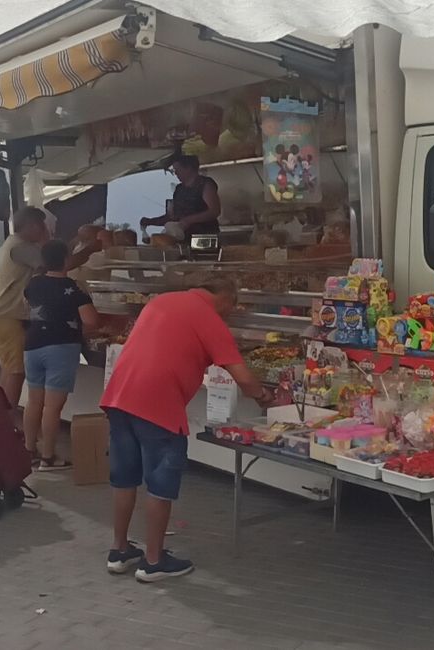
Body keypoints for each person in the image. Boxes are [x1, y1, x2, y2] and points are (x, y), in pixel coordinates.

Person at [100, 278, 271, 582]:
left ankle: (119, 550)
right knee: (159, 483)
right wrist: (264, 396)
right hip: (158, 403)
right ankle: (153, 562)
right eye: (233, 308)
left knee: (124, 478)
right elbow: (244, 378)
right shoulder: (209, 318)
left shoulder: (161, 301)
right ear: (226, 298)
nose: (232, 314)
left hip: (119, 396)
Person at [23, 240, 100, 470]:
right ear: (66, 260)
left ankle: (29, 450)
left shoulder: (33, 284)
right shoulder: (74, 288)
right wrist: (77, 330)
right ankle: (48, 458)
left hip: (33, 344)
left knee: (34, 401)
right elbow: (91, 320)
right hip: (61, 348)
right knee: (52, 407)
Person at [0, 207, 50, 409]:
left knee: (8, 369)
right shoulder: (21, 247)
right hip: (8, 316)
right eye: (42, 226)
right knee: (16, 371)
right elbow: (55, 264)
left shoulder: (13, 244)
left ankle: (2, 414)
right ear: (31, 226)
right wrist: (89, 249)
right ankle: (8, 420)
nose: (45, 230)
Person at [139, 154, 221, 240]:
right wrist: (150, 221)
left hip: (204, 238)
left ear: (188, 168)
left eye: (177, 170)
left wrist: (188, 220)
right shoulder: (179, 189)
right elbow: (172, 217)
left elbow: (214, 211)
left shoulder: (205, 184)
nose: (176, 173)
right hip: (182, 238)